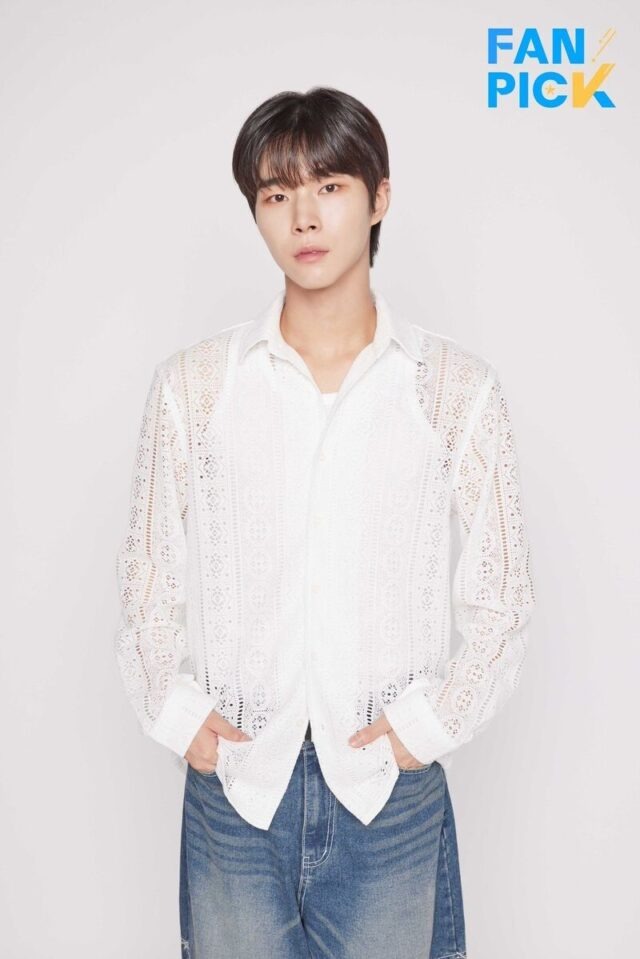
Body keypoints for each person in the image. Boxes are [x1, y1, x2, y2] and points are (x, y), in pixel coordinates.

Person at [114, 86, 535, 959]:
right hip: (238, 787)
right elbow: (147, 572)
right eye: (276, 194)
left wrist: (425, 730)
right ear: (257, 212)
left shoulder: (452, 389)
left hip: (386, 790)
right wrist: (179, 714)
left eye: (330, 186)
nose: (303, 216)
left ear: (378, 198)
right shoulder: (195, 385)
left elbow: (504, 595)